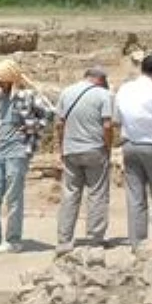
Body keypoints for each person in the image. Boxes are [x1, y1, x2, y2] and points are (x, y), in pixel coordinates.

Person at [0, 59, 54, 254]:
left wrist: (30, 126)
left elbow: (50, 114)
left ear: (11, 80)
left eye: (2, 81)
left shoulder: (27, 96)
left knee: (13, 197)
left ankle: (13, 240)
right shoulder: (0, 97)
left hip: (18, 152)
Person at [113, 54, 152, 245]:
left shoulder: (124, 89)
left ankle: (137, 242)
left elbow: (116, 120)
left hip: (130, 145)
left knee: (135, 197)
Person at [54, 65, 114, 256]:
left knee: (70, 195)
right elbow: (107, 125)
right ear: (101, 80)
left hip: (71, 150)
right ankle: (95, 239)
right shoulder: (104, 95)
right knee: (97, 194)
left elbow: (59, 124)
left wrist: (62, 147)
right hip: (95, 149)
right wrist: (108, 146)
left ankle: (64, 240)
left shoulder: (66, 92)